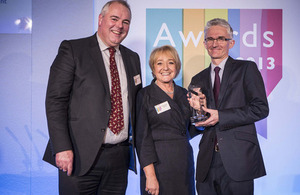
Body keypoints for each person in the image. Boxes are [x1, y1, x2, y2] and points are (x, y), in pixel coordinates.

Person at [42, 1, 142, 194]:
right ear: (100, 19)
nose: (119, 26)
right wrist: (61, 147)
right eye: (114, 19)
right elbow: (55, 101)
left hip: (119, 159)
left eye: (126, 21)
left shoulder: (132, 58)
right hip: (78, 156)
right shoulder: (73, 50)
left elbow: (136, 105)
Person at [189, 18, 269, 195]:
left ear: (231, 42)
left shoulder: (246, 69)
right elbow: (197, 119)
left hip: (239, 160)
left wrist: (221, 116)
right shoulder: (197, 79)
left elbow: (261, 108)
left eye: (220, 39)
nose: (215, 43)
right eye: (210, 39)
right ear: (204, 43)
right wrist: (197, 114)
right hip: (207, 162)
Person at [135, 45, 198, 195]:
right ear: (153, 67)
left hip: (183, 163)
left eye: (170, 62)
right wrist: (150, 176)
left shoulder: (185, 94)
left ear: (177, 66)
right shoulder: (145, 95)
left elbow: (190, 130)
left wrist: (200, 112)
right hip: (158, 165)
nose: (165, 68)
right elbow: (142, 139)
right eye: (159, 63)